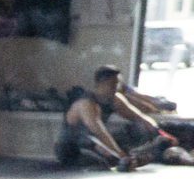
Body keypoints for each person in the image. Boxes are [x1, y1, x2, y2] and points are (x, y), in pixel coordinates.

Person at [58, 66, 194, 169]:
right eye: (113, 84)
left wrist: (162, 133)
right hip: (75, 148)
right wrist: (120, 154)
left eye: (117, 84)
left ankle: (133, 157)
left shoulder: (114, 98)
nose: (116, 88)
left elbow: (139, 117)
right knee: (104, 159)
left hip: (96, 144)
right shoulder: (86, 104)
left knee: (139, 129)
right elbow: (99, 132)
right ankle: (123, 160)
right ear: (102, 83)